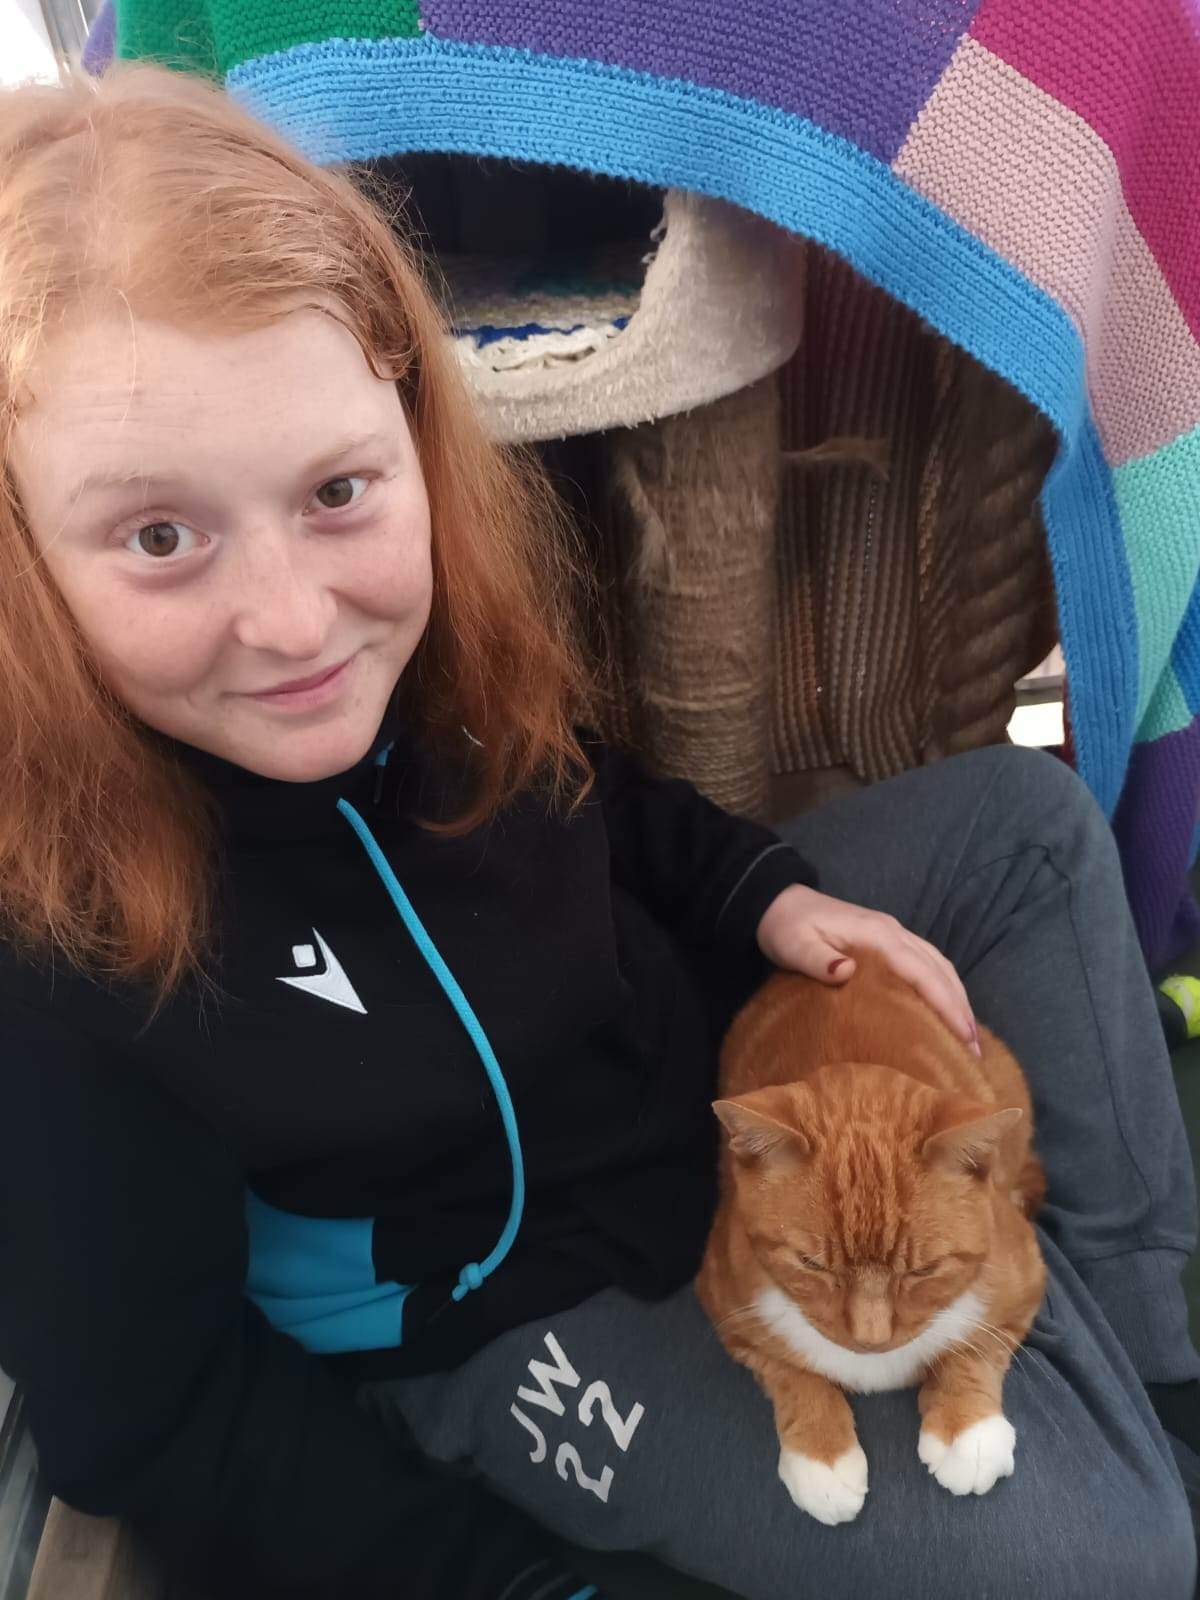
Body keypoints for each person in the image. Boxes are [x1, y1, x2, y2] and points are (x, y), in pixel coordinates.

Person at [0, 65, 1194, 1600]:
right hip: (521, 1313)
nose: (294, 620)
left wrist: (763, 894)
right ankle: (1067, 1399)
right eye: (160, 536)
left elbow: (596, 802)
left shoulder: (417, 659)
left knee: (1020, 826)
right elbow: (153, 1421)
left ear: (416, 444)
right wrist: (494, 1579)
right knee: (1121, 1557)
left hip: (695, 1058)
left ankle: (1144, 1369)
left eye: (340, 489)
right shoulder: (59, 944)